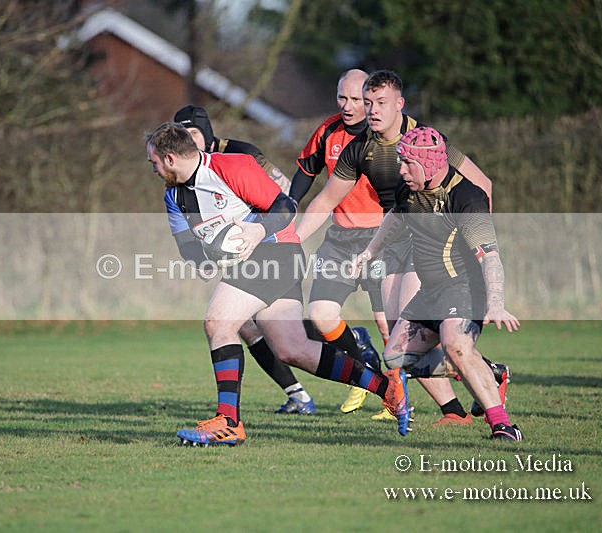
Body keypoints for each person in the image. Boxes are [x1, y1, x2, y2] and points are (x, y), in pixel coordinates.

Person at [146, 122, 411, 445]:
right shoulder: (174, 196)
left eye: (155, 163)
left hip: (275, 251)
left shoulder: (231, 166)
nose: (154, 169)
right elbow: (186, 243)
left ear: (170, 158)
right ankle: (387, 388)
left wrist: (257, 231)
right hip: (254, 262)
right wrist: (201, 262)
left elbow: (284, 206)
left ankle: (228, 422)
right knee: (292, 349)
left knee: (218, 323)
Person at [296, 69, 507, 426]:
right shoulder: (360, 147)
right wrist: (291, 240)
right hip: (393, 237)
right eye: (367, 103)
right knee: (399, 340)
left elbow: (481, 183)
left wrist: (474, 237)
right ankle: (474, 387)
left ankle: (475, 400)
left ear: (399, 104)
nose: (371, 110)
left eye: (379, 103)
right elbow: (324, 201)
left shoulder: (426, 139)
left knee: (417, 334)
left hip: (429, 246)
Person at [353, 125, 523, 441]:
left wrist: (496, 302)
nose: (401, 171)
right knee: (395, 359)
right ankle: (490, 371)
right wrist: (369, 251)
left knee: (455, 344)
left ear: (429, 165)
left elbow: (490, 256)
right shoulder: (409, 189)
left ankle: (503, 426)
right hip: (429, 292)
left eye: (408, 164)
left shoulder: (466, 197)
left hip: (464, 288)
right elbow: (395, 215)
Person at [173, 104, 320, 415]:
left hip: (271, 245)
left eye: (194, 133)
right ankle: (297, 393)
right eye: (182, 134)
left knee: (256, 329)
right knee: (249, 329)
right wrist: (205, 256)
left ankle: (334, 339)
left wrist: (265, 231)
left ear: (207, 134)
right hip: (238, 253)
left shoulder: (241, 153)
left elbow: (283, 195)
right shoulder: (180, 181)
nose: (189, 139)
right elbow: (185, 232)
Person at [289, 69, 391, 415]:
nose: (348, 106)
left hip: (380, 238)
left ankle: (395, 400)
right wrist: (287, 213)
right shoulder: (328, 131)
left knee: (388, 325)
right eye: (342, 98)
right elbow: (306, 171)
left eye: (357, 100)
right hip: (339, 239)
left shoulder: (385, 134)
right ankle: (365, 370)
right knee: (320, 315)